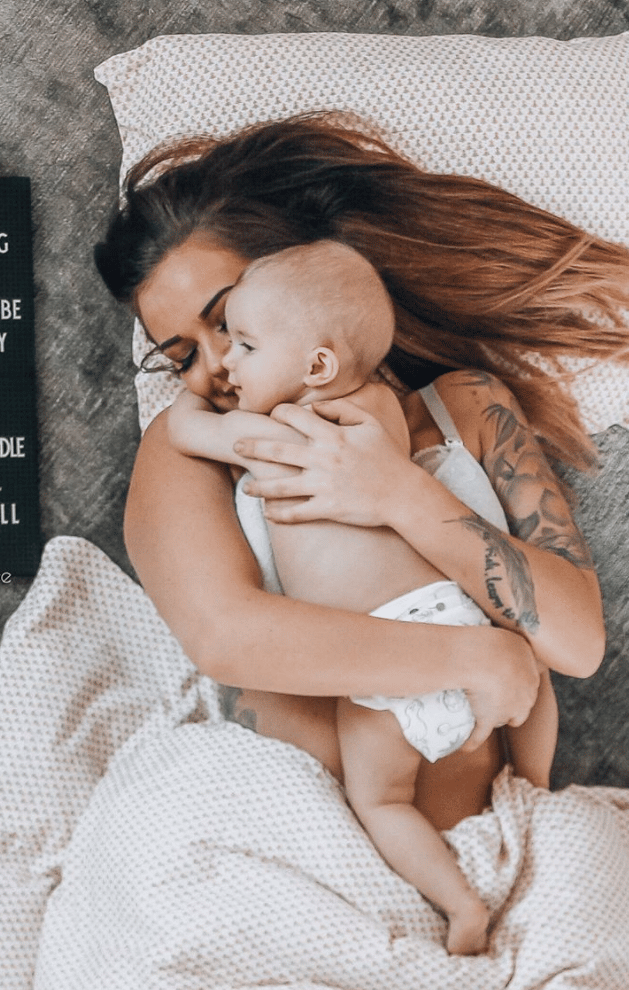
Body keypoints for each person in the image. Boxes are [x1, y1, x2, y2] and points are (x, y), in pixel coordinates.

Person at [94, 112, 621, 867]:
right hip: (287, 842)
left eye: (228, 324)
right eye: (182, 355)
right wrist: (475, 662)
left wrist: (396, 492)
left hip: (484, 843)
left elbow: (575, 641)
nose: (215, 368)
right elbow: (227, 636)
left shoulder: (464, 407)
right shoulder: (190, 454)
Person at [165, 239, 562, 953]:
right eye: (185, 357)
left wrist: (181, 412)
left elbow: (189, 429)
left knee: (379, 799)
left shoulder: (286, 430)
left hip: (378, 665)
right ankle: (533, 794)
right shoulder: (377, 410)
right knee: (533, 677)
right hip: (453, 616)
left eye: (242, 342)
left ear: (315, 366)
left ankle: (458, 904)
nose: (223, 365)